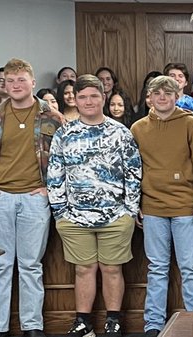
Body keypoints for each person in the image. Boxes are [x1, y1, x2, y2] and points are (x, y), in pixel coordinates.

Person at [0, 58, 63, 337]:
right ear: (4, 85)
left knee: (31, 266)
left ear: (32, 83)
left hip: (35, 197)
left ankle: (32, 326)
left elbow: (65, 158)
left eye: (21, 80)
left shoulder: (51, 116)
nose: (15, 85)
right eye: (10, 81)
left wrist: (50, 189)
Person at [47, 74, 141, 337]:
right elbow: (55, 174)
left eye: (94, 96)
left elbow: (133, 173)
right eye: (83, 97)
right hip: (74, 217)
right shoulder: (64, 133)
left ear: (104, 98)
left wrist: (129, 210)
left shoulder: (120, 132)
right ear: (75, 100)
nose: (88, 101)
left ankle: (114, 321)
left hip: (115, 216)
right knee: (83, 269)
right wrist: (60, 214)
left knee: (112, 268)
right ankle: (83, 322)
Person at [133, 75, 193, 335]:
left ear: (176, 96)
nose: (162, 98)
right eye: (157, 93)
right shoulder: (137, 129)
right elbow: (132, 171)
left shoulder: (191, 124)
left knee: (190, 268)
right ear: (150, 97)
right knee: (156, 269)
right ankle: (153, 325)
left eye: (167, 93)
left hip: (186, 207)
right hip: (153, 208)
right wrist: (137, 204)